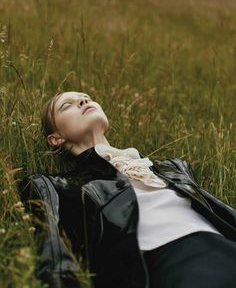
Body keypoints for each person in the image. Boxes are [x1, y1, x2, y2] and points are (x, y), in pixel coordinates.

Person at [20, 91, 236, 288]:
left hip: (224, 244)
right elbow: (55, 255)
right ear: (56, 138)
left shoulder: (172, 167)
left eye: (85, 97)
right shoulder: (56, 185)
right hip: (165, 258)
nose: (83, 100)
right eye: (67, 105)